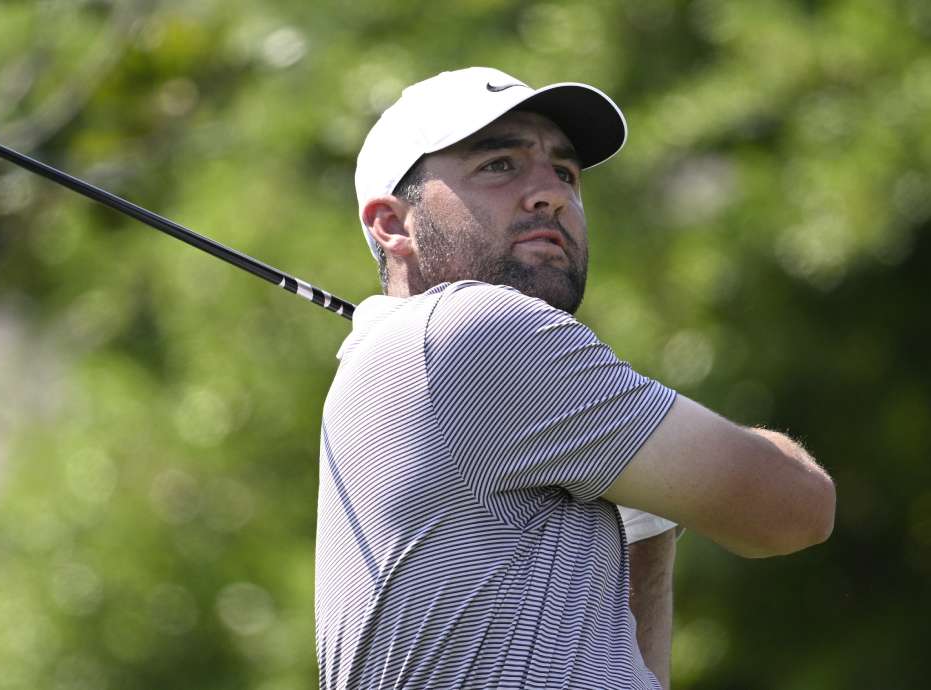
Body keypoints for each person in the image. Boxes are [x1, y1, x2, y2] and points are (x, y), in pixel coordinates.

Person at [315, 67, 836, 690]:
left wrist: (645, 516)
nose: (551, 194)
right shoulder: (471, 329)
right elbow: (797, 509)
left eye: (564, 172)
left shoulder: (405, 360)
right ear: (393, 224)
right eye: (499, 165)